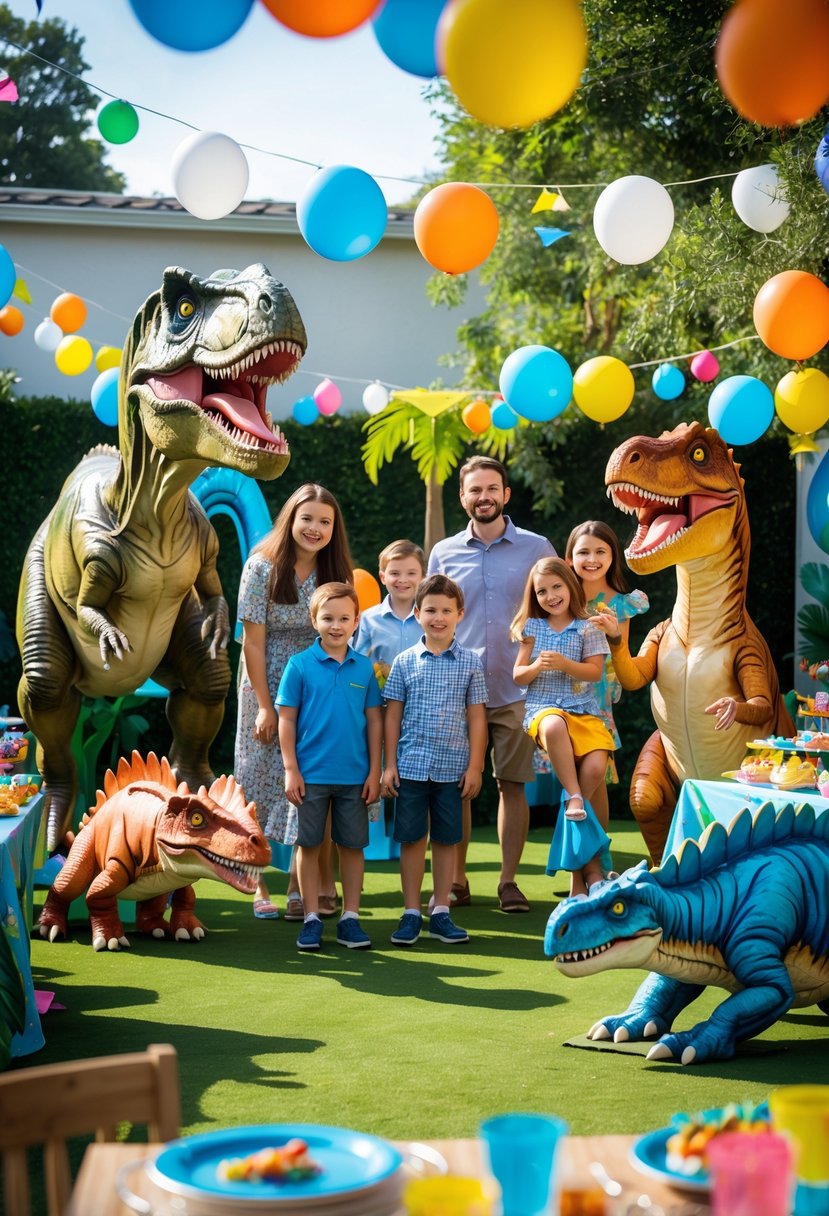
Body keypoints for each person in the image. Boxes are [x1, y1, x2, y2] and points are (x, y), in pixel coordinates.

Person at [428, 455, 555, 913]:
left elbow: (557, 609)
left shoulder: (538, 548)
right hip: (457, 693)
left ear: (506, 494)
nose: (484, 497)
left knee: (512, 785)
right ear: (462, 497)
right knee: (455, 786)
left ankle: (507, 882)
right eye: (474, 490)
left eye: (491, 489)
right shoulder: (442, 553)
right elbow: (434, 618)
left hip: (519, 689)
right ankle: (457, 881)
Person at [234, 484, 353, 922]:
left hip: (318, 686)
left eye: (325, 521)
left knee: (308, 780)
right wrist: (266, 705)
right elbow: (253, 642)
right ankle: (256, 881)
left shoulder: (336, 572)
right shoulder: (261, 568)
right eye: (308, 519)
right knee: (259, 777)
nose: (315, 528)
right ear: (291, 519)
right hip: (265, 681)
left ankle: (297, 886)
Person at [382, 574, 487, 946]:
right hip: (410, 767)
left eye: (446, 610)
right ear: (417, 613)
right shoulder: (404, 662)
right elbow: (392, 715)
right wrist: (389, 764)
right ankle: (411, 911)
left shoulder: (471, 663)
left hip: (453, 770)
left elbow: (477, 717)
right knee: (411, 839)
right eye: (430, 610)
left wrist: (475, 766)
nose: (438, 617)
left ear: (460, 614)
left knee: (446, 840)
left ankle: (441, 909)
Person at [277, 582, 382, 951]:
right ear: (314, 620)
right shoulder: (299, 666)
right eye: (328, 618)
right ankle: (310, 919)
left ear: (356, 621)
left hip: (355, 778)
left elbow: (374, 723)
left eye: (344, 618)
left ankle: (351, 918)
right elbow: (286, 720)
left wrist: (374, 771)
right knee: (309, 845)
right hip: (310, 777)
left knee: (352, 847)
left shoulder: (365, 668)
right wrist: (291, 769)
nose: (336, 625)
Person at [511, 557, 613, 897]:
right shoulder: (532, 628)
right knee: (554, 726)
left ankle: (581, 877)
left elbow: (594, 673)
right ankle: (573, 796)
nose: (551, 595)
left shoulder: (589, 626)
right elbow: (518, 676)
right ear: (533, 595)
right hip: (544, 710)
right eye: (542, 591)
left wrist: (566, 664)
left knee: (597, 768)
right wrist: (538, 664)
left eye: (556, 587)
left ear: (570, 585)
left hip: (585, 712)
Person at [565, 521, 649, 848]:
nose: (592, 558)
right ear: (569, 558)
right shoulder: (560, 598)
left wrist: (612, 633)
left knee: (594, 779)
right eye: (583, 551)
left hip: (597, 703)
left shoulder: (621, 604)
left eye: (601, 551)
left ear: (613, 556)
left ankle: (598, 859)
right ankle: (581, 863)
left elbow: (621, 657)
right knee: (571, 783)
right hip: (559, 700)